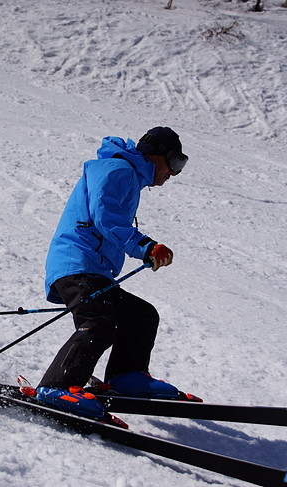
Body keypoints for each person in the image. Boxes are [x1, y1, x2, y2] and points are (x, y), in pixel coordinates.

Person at [34, 127, 189, 419]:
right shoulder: (119, 169)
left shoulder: (126, 174)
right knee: (99, 321)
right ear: (157, 155)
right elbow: (106, 216)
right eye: (175, 163)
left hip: (93, 269)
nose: (173, 173)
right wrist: (146, 247)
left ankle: (126, 376)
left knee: (141, 315)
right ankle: (57, 387)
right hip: (77, 264)